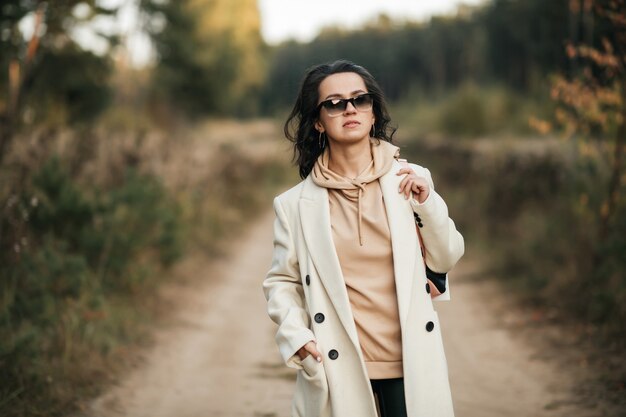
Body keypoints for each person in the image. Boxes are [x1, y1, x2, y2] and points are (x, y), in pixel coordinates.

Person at [262, 60, 464, 417]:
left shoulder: (411, 178)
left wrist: (427, 204)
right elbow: (282, 280)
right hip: (338, 365)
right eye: (334, 103)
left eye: (360, 99)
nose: (350, 108)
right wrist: (297, 335)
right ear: (317, 121)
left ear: (373, 113)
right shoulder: (293, 205)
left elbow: (446, 257)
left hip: (409, 361)